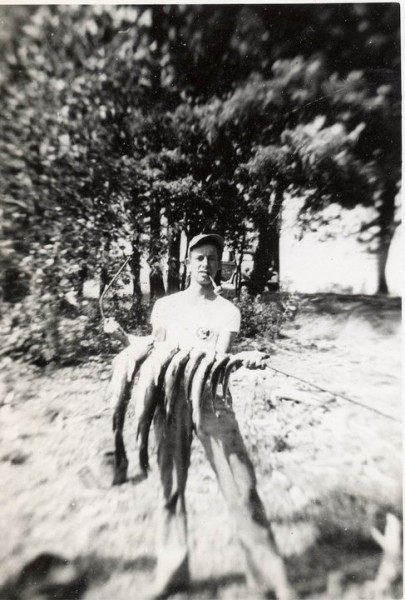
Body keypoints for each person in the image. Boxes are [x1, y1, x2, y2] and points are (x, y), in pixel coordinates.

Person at [146, 233, 294, 600]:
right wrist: (119, 336)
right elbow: (152, 353)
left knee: (242, 486)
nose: (205, 264)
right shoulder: (165, 306)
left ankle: (270, 578)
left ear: (219, 265)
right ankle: (171, 573)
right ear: (188, 262)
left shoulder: (227, 311)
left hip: (211, 400)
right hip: (168, 400)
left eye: (212, 258)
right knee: (169, 486)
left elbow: (220, 363)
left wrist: (245, 359)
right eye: (199, 257)